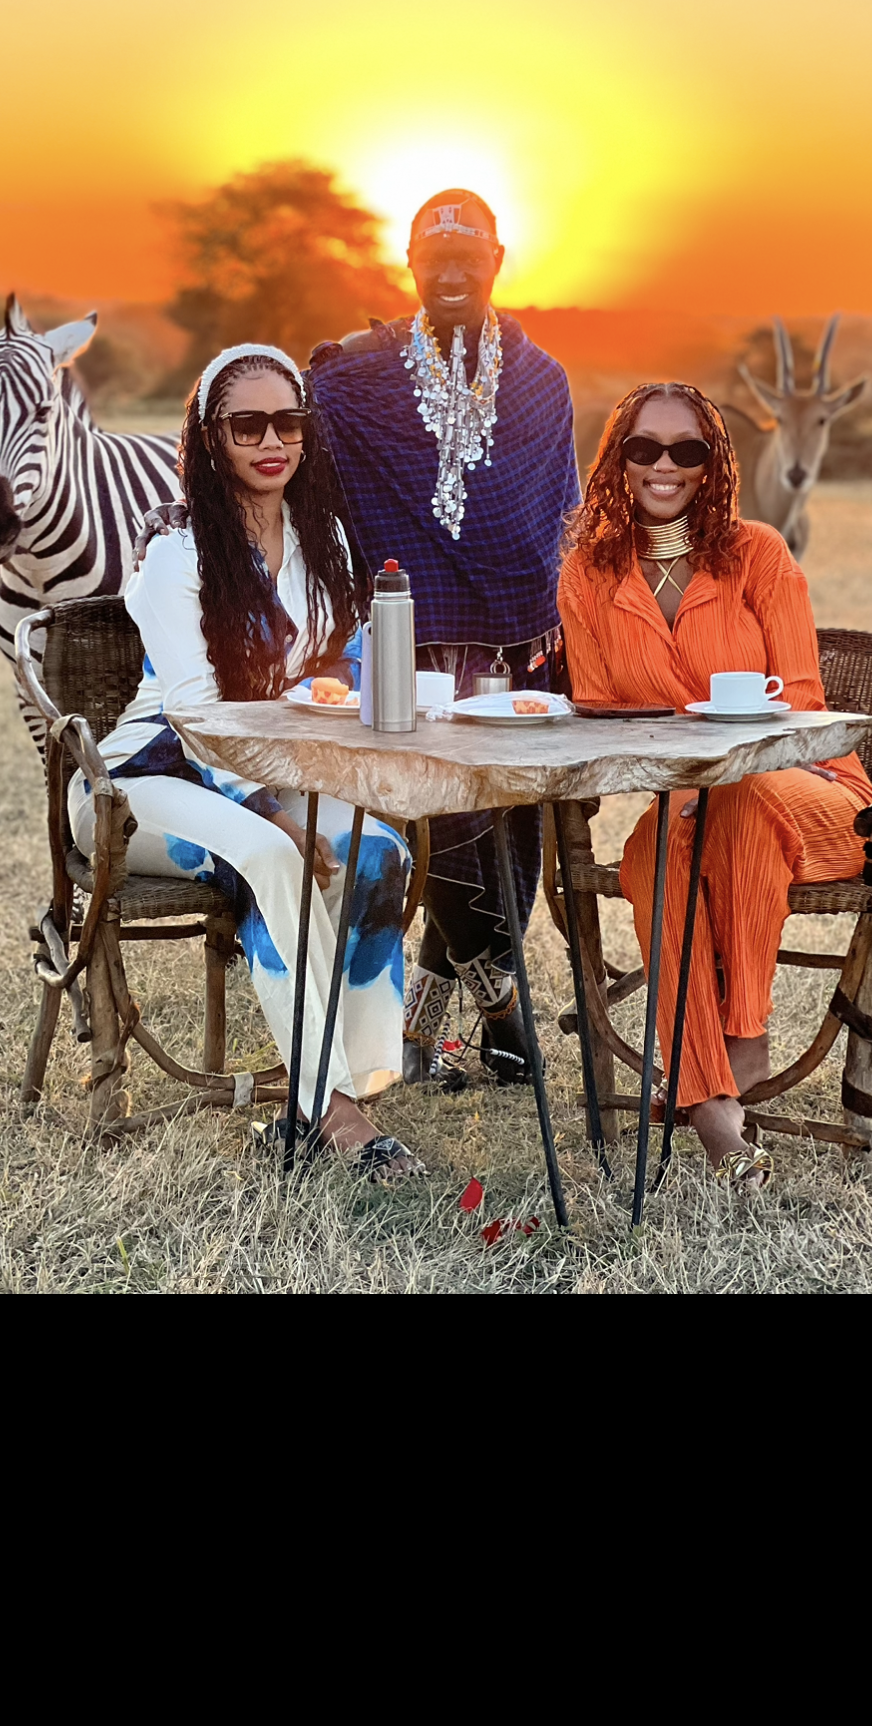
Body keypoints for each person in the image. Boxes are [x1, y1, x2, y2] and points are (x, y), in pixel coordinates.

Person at [70, 342, 417, 1176]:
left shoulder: (321, 535)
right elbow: (191, 710)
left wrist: (366, 699)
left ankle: (346, 1085)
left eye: (288, 420)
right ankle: (330, 1115)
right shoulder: (176, 552)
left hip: (269, 773)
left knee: (379, 853)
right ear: (210, 436)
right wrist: (272, 809)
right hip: (141, 784)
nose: (272, 440)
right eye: (247, 423)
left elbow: (346, 664)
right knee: (272, 854)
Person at [558, 379, 872, 1190]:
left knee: (706, 815)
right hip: (688, 807)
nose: (664, 465)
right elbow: (600, 710)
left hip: (812, 794)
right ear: (617, 461)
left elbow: (800, 705)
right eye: (643, 448)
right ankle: (713, 1110)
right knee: (650, 856)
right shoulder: (588, 576)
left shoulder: (758, 554)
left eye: (685, 450)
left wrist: (715, 768)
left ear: (711, 464)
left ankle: (742, 1030)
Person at [310, 189, 579, 1084]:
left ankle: (419, 1037)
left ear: (498, 261)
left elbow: (553, 516)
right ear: (411, 267)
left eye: (470, 258)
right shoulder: (356, 383)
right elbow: (293, 446)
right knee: (447, 835)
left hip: (515, 656)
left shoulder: (542, 381)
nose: (453, 272)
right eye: (435, 261)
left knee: (503, 844)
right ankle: (506, 1015)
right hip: (403, 657)